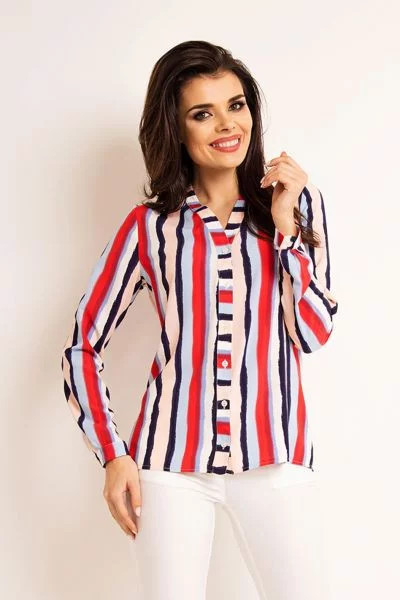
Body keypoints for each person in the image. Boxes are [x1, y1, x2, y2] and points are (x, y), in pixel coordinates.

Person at [61, 40, 338, 600]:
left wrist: (285, 228)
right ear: (176, 128)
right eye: (202, 113)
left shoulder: (297, 205)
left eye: (236, 105)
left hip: (276, 460)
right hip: (168, 471)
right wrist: (113, 455)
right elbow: (82, 347)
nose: (227, 124)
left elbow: (312, 333)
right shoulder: (149, 227)